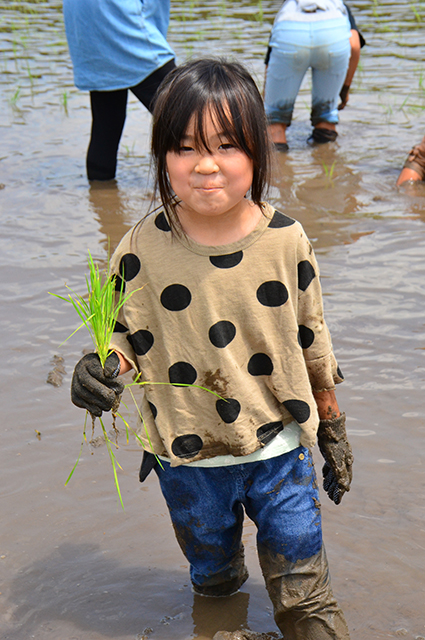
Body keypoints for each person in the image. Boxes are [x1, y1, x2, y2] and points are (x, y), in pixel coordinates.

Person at [70, 59, 354, 640]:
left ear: (256, 150)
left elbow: (312, 340)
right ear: (161, 158)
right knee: (215, 582)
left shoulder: (287, 241)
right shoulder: (141, 247)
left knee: (305, 596)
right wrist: (99, 369)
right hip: (189, 458)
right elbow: (124, 335)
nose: (204, 165)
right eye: (182, 147)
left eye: (226, 145)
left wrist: (333, 427)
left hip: (279, 449)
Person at [63, 0, 176, 181]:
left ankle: (102, 199)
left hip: (85, 19)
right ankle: (229, 189)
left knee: (106, 124)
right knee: (190, 112)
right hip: (115, 14)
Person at [264, 0, 365, 151]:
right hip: (333, 32)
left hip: (290, 32)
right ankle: (325, 164)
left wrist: (268, 100)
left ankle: (279, 170)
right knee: (326, 115)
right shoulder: (337, 4)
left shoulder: (288, 7)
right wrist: (345, 88)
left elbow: (270, 60)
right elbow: (354, 45)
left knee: (275, 122)